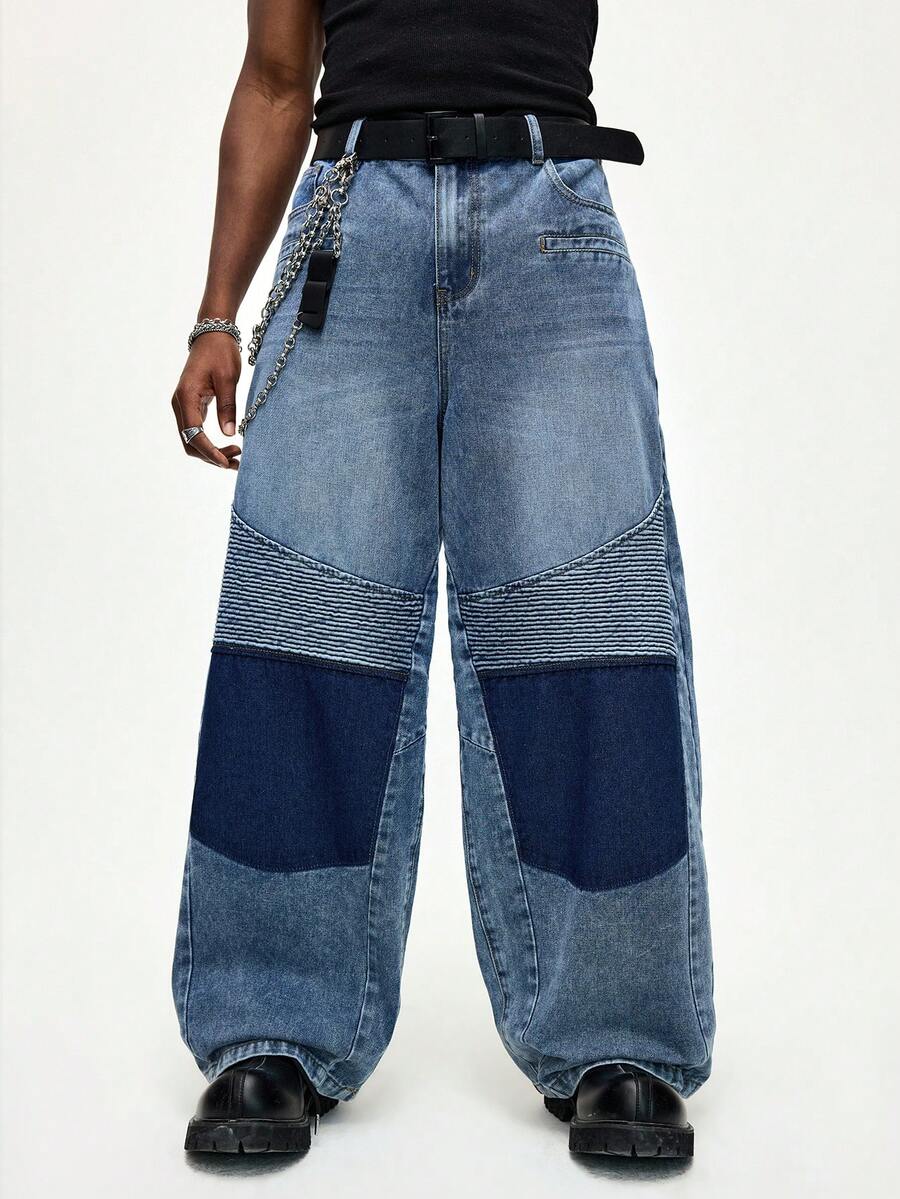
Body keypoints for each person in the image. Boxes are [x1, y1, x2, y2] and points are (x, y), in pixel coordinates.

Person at [170, 0, 714, 1160]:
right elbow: (275, 78)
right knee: (305, 628)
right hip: (350, 220)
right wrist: (217, 313)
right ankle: (272, 1023)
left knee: (587, 633)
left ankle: (617, 1035)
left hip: (549, 213)